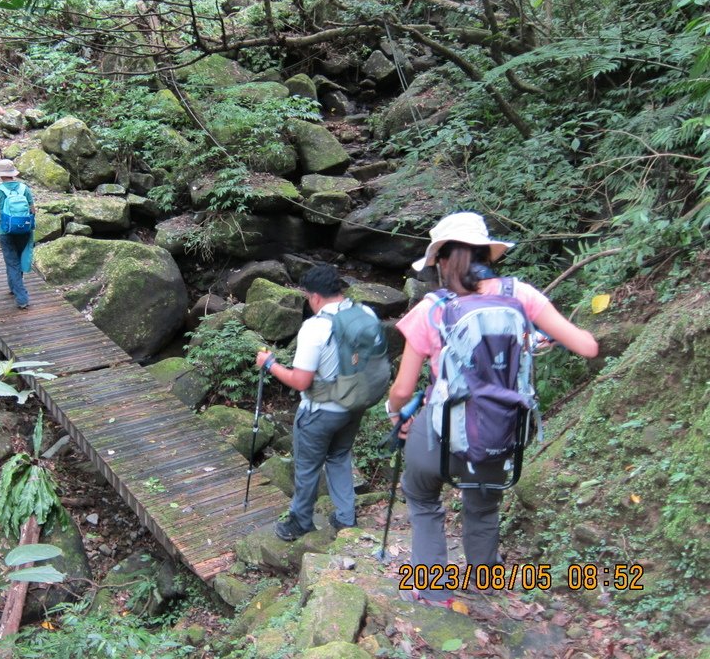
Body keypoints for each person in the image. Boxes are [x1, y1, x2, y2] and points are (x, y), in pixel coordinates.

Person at [387, 212, 598, 607]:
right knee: (483, 506)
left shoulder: (431, 308)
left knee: (421, 497)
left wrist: (393, 411)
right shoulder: (521, 295)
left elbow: (402, 390)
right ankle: (485, 580)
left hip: (440, 434)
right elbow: (587, 346)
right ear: (489, 253)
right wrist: (539, 335)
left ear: (442, 261)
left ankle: (433, 590)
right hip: (501, 431)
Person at [255, 264, 380, 541]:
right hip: (355, 405)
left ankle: (300, 522)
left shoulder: (315, 328)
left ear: (314, 297)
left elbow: (301, 381)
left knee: (308, 467)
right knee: (338, 457)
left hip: (320, 412)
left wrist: (270, 364)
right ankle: (346, 518)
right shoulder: (367, 314)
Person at [0, 159, 36, 309]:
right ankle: (13, 287)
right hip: (24, 230)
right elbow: (32, 210)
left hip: (5, 232)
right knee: (17, 259)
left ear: (0, 175)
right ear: (13, 174)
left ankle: (22, 298)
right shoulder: (25, 188)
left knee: (12, 263)